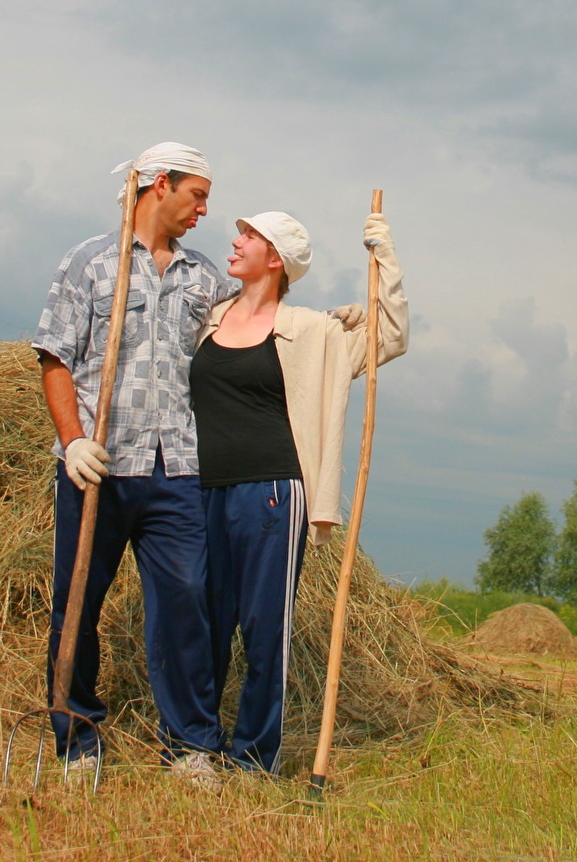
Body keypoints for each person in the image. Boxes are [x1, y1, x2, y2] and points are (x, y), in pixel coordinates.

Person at [30, 142, 239, 780]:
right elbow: (55, 358)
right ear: (158, 186)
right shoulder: (93, 264)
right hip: (100, 466)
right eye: (197, 194)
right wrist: (73, 441)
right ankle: (77, 739)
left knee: (184, 602)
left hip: (177, 467)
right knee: (78, 602)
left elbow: (252, 325)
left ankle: (191, 745)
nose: (205, 209)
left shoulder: (206, 278)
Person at [191, 208, 407, 775]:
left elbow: (392, 336)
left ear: (276, 259)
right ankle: (196, 745)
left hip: (272, 493)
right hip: (199, 489)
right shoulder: (206, 320)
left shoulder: (313, 330)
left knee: (264, 628)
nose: (235, 243)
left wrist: (383, 256)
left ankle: (253, 756)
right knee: (202, 620)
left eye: (249, 236)